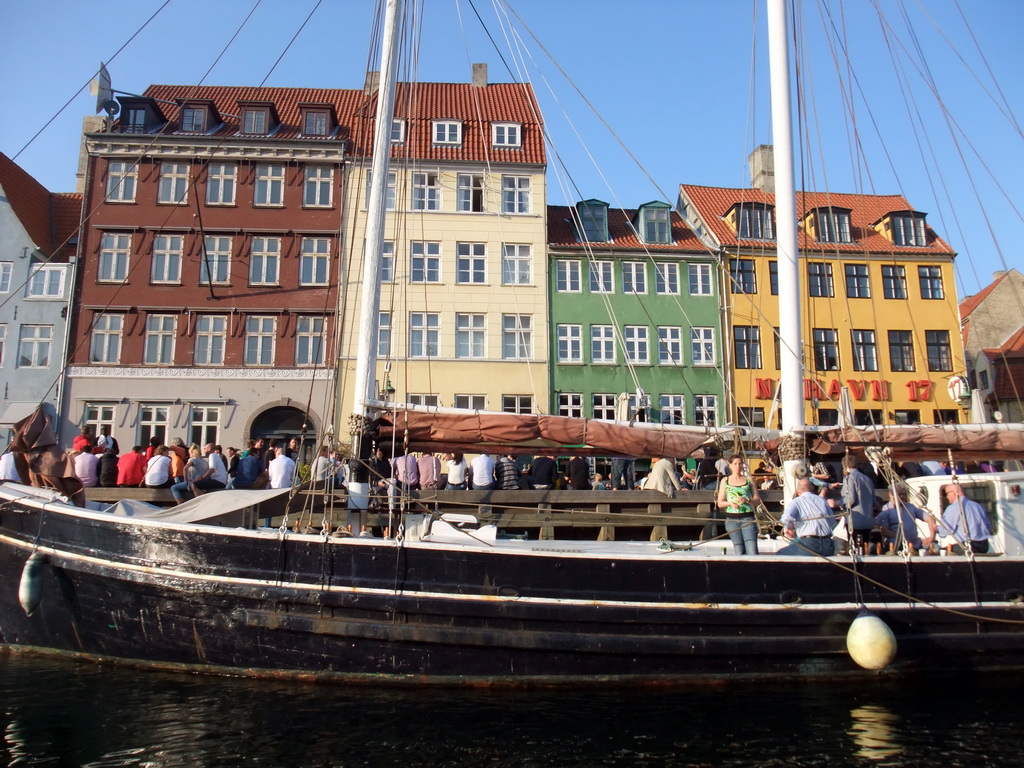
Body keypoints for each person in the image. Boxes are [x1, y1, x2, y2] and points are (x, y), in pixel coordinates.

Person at [778, 478, 838, 556]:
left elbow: (786, 518)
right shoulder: (822, 500)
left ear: (797, 492)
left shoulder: (796, 501)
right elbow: (832, 521)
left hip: (809, 544)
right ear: (812, 489)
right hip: (827, 544)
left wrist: (788, 527)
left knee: (781, 554)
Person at [716, 454, 762, 555]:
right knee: (739, 551)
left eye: (740, 464)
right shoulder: (725, 481)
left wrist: (747, 499)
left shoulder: (748, 480)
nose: (738, 466)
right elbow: (720, 503)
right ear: (730, 465)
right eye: (735, 464)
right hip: (732, 520)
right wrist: (730, 503)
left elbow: (757, 500)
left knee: (752, 551)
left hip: (747, 518)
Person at [877, 484, 937, 555]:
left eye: (903, 494)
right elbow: (884, 531)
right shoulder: (885, 510)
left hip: (915, 543)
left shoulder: (911, 507)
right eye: (899, 494)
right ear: (891, 494)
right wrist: (902, 539)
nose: (902, 496)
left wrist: (931, 536)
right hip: (897, 543)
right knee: (894, 542)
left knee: (935, 547)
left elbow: (928, 517)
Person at [841, 454, 878, 555]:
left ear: (845, 466)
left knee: (855, 552)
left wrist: (839, 503)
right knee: (866, 551)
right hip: (869, 521)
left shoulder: (849, 479)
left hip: (855, 522)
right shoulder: (868, 479)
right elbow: (874, 502)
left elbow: (851, 499)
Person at [941, 484, 992, 554]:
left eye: (946, 493)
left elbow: (945, 531)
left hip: (967, 546)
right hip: (984, 545)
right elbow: (988, 526)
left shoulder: (953, 508)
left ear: (954, 492)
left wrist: (936, 529)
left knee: (941, 551)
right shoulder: (978, 506)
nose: (946, 497)